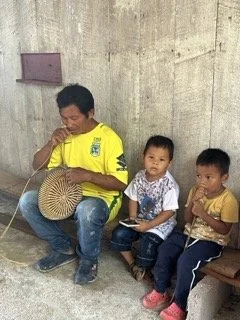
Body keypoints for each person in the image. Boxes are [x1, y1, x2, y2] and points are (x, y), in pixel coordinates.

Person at [19, 84, 128, 285]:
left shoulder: (108, 138)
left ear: (90, 112)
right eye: (64, 118)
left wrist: (87, 175)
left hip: (101, 200)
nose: (68, 123)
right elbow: (37, 165)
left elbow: (121, 183)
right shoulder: (63, 136)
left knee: (87, 209)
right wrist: (51, 143)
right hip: (67, 196)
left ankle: (89, 259)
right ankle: (63, 247)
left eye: (74, 118)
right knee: (27, 201)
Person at [142, 148, 239, 320]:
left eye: (209, 177)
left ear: (224, 178)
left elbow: (225, 230)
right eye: (199, 176)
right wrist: (194, 203)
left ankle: (180, 304)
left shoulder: (228, 200)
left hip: (212, 242)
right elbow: (187, 219)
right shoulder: (195, 191)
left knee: (186, 260)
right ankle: (160, 289)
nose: (202, 182)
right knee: (165, 248)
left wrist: (203, 214)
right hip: (189, 233)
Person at [110, 135, 179, 281]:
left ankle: (144, 265)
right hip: (141, 219)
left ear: (169, 163)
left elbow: (169, 212)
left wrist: (149, 225)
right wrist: (133, 217)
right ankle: (133, 264)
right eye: (151, 157)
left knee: (147, 244)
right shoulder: (139, 177)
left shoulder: (169, 185)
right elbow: (133, 198)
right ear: (143, 156)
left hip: (160, 224)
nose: (155, 163)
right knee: (118, 234)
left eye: (161, 160)